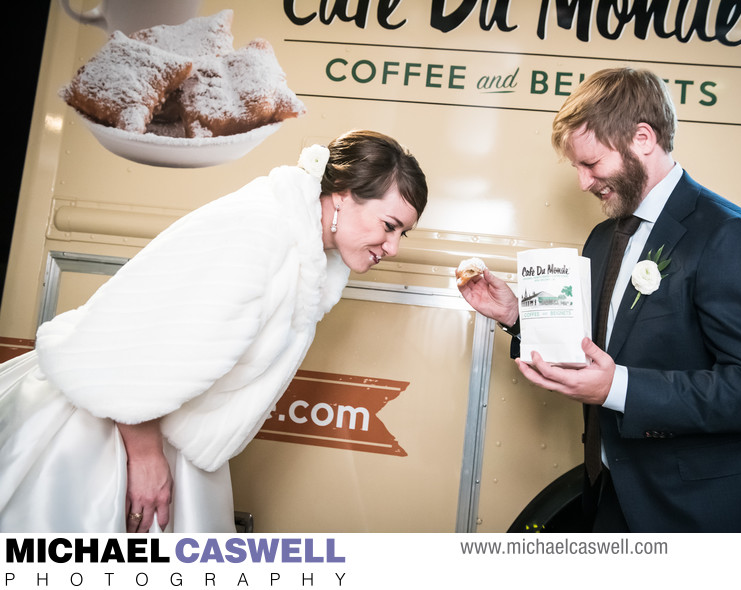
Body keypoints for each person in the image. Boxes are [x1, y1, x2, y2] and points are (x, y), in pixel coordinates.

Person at [0, 129, 427, 533]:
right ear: (343, 195)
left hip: (162, 430)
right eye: (389, 226)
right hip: (103, 432)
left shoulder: (306, 253)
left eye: (402, 233)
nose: (393, 248)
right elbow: (130, 345)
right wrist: (146, 459)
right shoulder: (260, 232)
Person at [458, 68, 741, 532]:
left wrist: (618, 388)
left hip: (705, 512)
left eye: (591, 164)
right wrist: (517, 315)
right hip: (616, 496)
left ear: (642, 138)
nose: (583, 182)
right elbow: (595, 349)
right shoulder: (603, 237)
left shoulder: (731, 236)